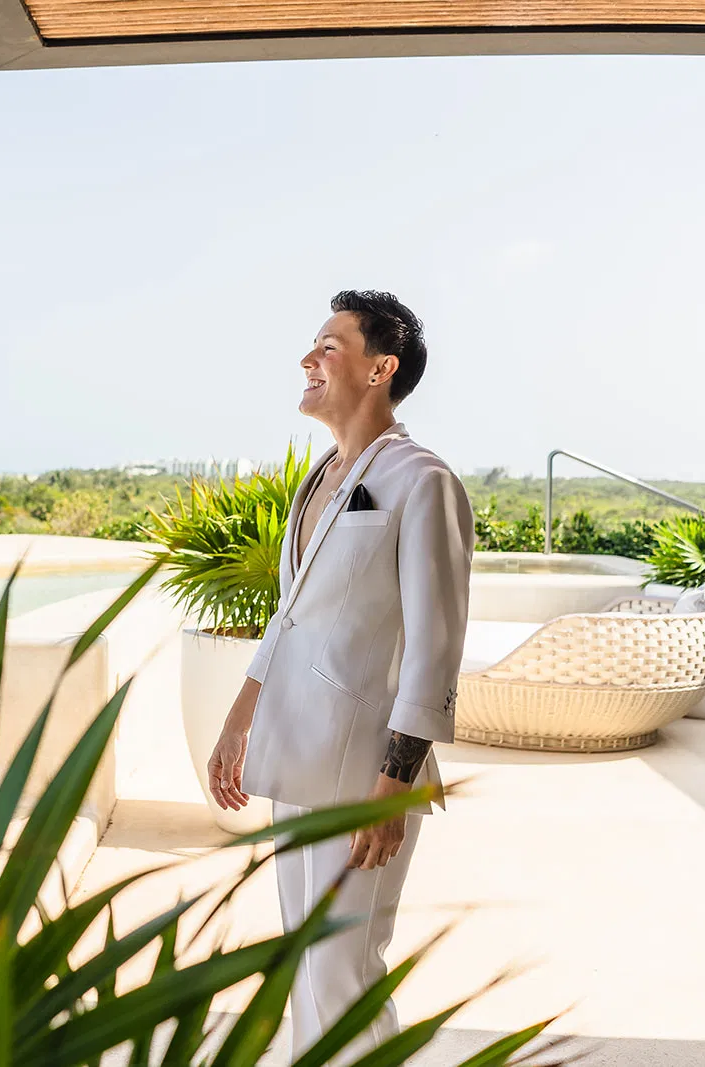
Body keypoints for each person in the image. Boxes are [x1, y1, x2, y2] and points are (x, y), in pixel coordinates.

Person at [205, 290, 473, 1063]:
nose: (308, 359)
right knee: (308, 964)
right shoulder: (317, 478)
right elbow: (290, 615)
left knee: (345, 969)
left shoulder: (425, 481)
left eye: (329, 345)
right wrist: (237, 718)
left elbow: (435, 649)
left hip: (366, 771)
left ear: (380, 368)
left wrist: (393, 788)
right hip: (297, 754)